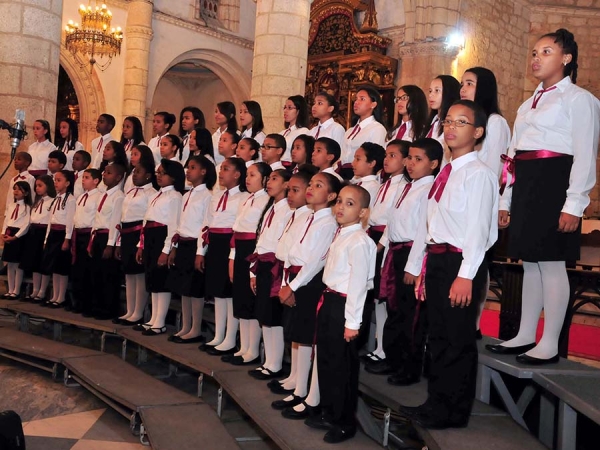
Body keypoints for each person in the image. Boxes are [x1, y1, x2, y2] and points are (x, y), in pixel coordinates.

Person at [487, 29, 600, 364]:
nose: (536, 58)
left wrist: (574, 204)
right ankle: (524, 335)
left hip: (555, 181)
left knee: (551, 264)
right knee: (530, 263)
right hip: (527, 182)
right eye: (534, 52)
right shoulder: (527, 103)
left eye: (546, 52)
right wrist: (506, 199)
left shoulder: (581, 99)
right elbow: (511, 155)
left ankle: (549, 342)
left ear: (566, 58)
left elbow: (584, 154)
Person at [403, 100, 498, 429]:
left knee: (457, 339)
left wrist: (466, 275)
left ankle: (454, 412)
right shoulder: (445, 173)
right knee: (438, 336)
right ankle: (435, 402)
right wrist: (420, 267)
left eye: (462, 122)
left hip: (462, 262)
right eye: (448, 121)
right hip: (438, 260)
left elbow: (479, 230)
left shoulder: (479, 174)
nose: (452, 127)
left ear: (478, 132)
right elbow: (428, 225)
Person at [307, 185, 376, 443]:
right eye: (339, 202)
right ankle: (329, 411)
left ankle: (344, 422)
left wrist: (352, 323)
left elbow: (358, 284)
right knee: (326, 361)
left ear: (362, 212)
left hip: (346, 307)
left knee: (342, 367)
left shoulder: (359, 241)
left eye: (350, 204)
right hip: (331, 301)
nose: (340, 208)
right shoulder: (342, 234)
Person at [273, 173, 340, 417]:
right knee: (298, 336)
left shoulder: (328, 223)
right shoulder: (306, 217)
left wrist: (293, 286)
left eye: (318, 185)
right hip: (293, 279)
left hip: (309, 283)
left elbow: (316, 261)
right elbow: (289, 251)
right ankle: (299, 389)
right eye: (310, 184)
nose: (311, 188)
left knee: (309, 338)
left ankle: (311, 397)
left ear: (332, 196)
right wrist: (284, 282)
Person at [379, 138, 442, 386]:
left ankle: (409, 367)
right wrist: (384, 249)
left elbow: (421, 230)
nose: (411, 164)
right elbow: (393, 222)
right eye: (410, 158)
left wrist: (413, 266)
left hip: (410, 255)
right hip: (396, 251)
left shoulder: (428, 189)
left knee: (411, 316)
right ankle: (393, 359)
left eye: (418, 159)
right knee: (394, 309)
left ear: (434, 163)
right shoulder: (406, 186)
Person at [250, 165, 316, 385]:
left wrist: (286, 280)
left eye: (295, 190)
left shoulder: (303, 215)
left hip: (284, 270)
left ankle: (278, 366)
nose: (290, 195)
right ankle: (271, 363)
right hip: (271, 265)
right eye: (290, 191)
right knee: (266, 317)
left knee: (276, 319)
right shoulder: (285, 210)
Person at [459, 66, 511, 338]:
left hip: (480, 198)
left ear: (484, 88)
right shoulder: (464, 122)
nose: (463, 88)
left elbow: (495, 167)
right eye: (462, 83)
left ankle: (475, 322)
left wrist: (501, 203)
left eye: (469, 83)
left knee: (478, 261)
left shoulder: (495, 122)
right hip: (459, 201)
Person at [363, 139, 409, 373]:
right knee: (378, 299)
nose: (387, 159)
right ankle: (380, 346)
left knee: (387, 297)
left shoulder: (403, 186)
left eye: (393, 155)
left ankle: (385, 349)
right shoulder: (386, 183)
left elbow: (392, 219)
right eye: (386, 155)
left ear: (406, 160)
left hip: (386, 243)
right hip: (374, 238)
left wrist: (380, 246)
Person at [197, 157, 250, 353]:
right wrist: (200, 251)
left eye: (226, 169)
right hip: (215, 244)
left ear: (237, 174)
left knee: (229, 293)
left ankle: (230, 338)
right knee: (218, 292)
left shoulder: (243, 198)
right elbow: (206, 224)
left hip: (231, 244)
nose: (221, 172)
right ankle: (219, 335)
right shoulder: (216, 196)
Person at [165, 156, 215, 342]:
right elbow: (180, 223)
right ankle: (185, 326)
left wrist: (200, 252)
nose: (188, 170)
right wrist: (174, 247)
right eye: (188, 167)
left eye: (193, 167)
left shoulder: (207, 196)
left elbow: (205, 224)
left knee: (195, 289)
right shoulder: (187, 194)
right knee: (183, 288)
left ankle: (195, 329)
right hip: (183, 243)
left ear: (203, 172)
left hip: (196, 245)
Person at [226, 162, 272, 364]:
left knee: (250, 300)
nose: (248, 178)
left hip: (253, 248)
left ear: (264, 179)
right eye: (247, 174)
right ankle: (243, 347)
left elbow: (259, 232)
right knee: (241, 299)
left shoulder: (265, 201)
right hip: (240, 249)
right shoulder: (247, 199)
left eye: (253, 175)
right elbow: (237, 229)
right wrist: (232, 257)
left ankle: (252, 350)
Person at [134, 159, 185, 335]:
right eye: (158, 173)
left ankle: (160, 322)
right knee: (152, 279)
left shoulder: (175, 197)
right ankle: (153, 319)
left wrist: (166, 250)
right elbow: (146, 221)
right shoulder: (156, 194)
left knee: (161, 280)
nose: (159, 176)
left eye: (163, 173)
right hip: (150, 237)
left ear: (174, 176)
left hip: (162, 236)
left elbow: (173, 225)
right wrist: (141, 245)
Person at [249, 168, 292, 377]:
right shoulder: (271, 207)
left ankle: (275, 363)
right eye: (269, 178)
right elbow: (261, 238)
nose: (269, 182)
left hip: (276, 265)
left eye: (275, 178)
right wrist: (253, 271)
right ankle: (268, 361)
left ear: (286, 184)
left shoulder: (287, 210)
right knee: (264, 315)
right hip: (263, 264)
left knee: (273, 316)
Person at [114, 159, 157, 325]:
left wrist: (142, 241)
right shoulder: (130, 192)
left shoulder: (151, 193)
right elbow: (123, 217)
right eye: (133, 172)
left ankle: (138, 312)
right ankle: (129, 310)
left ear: (148, 175)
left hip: (139, 233)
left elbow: (147, 219)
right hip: (126, 233)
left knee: (139, 274)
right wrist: (118, 241)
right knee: (129, 274)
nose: (134, 175)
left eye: (138, 172)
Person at [88, 164, 126, 319]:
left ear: (118, 178)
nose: (104, 174)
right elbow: (97, 218)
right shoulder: (103, 194)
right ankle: (96, 306)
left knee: (108, 275)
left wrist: (111, 244)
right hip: (98, 235)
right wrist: (92, 238)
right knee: (96, 273)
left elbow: (115, 221)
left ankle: (109, 309)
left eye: (109, 173)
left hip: (108, 237)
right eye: (104, 172)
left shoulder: (118, 196)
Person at [41, 170, 76, 308]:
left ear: (67, 183)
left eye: (59, 180)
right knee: (54, 267)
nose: (55, 182)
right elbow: (51, 220)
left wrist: (67, 239)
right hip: (53, 234)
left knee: (62, 267)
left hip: (62, 235)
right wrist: (46, 238)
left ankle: (61, 297)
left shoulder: (71, 199)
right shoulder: (56, 198)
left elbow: (69, 221)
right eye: (55, 180)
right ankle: (54, 295)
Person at [71, 169, 102, 315]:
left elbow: (96, 218)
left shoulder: (98, 197)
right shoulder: (81, 197)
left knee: (88, 271)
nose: (83, 180)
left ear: (96, 181)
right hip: (78, 234)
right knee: (78, 270)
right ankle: (78, 302)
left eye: (87, 178)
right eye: (83, 177)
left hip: (89, 235)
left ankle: (89, 305)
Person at [20, 175, 55, 302]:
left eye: (40, 186)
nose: (37, 188)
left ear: (48, 186)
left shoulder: (52, 201)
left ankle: (42, 291)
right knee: (34, 262)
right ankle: (35, 290)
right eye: (36, 186)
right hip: (33, 232)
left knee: (43, 263)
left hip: (44, 232)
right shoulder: (37, 201)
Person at [339, 87, 387, 179]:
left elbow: (375, 158)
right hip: (343, 174)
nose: (356, 102)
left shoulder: (377, 129)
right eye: (356, 99)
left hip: (361, 176)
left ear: (373, 104)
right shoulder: (350, 130)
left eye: (362, 99)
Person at [1, 181, 32, 299]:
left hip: (19, 236)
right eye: (14, 189)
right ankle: (10, 289)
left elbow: (26, 225)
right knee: (10, 264)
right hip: (9, 233)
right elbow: (6, 220)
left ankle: (16, 290)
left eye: (19, 189)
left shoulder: (27, 208)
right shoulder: (11, 206)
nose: (16, 191)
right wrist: (3, 233)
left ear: (26, 192)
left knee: (18, 265)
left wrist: (15, 237)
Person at [426, 75, 461, 155]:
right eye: (430, 91)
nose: (431, 95)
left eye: (437, 90)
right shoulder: (432, 122)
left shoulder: (453, 124)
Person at [4, 152, 35, 218]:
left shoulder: (30, 178)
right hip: (11, 210)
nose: (16, 161)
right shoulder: (13, 179)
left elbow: (32, 196)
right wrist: (7, 212)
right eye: (15, 159)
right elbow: (10, 197)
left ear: (27, 163)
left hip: (23, 212)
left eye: (19, 159)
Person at [280, 95, 310, 162]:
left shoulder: (304, 132)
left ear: (299, 111)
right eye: (285, 107)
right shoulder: (282, 133)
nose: (285, 111)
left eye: (289, 108)